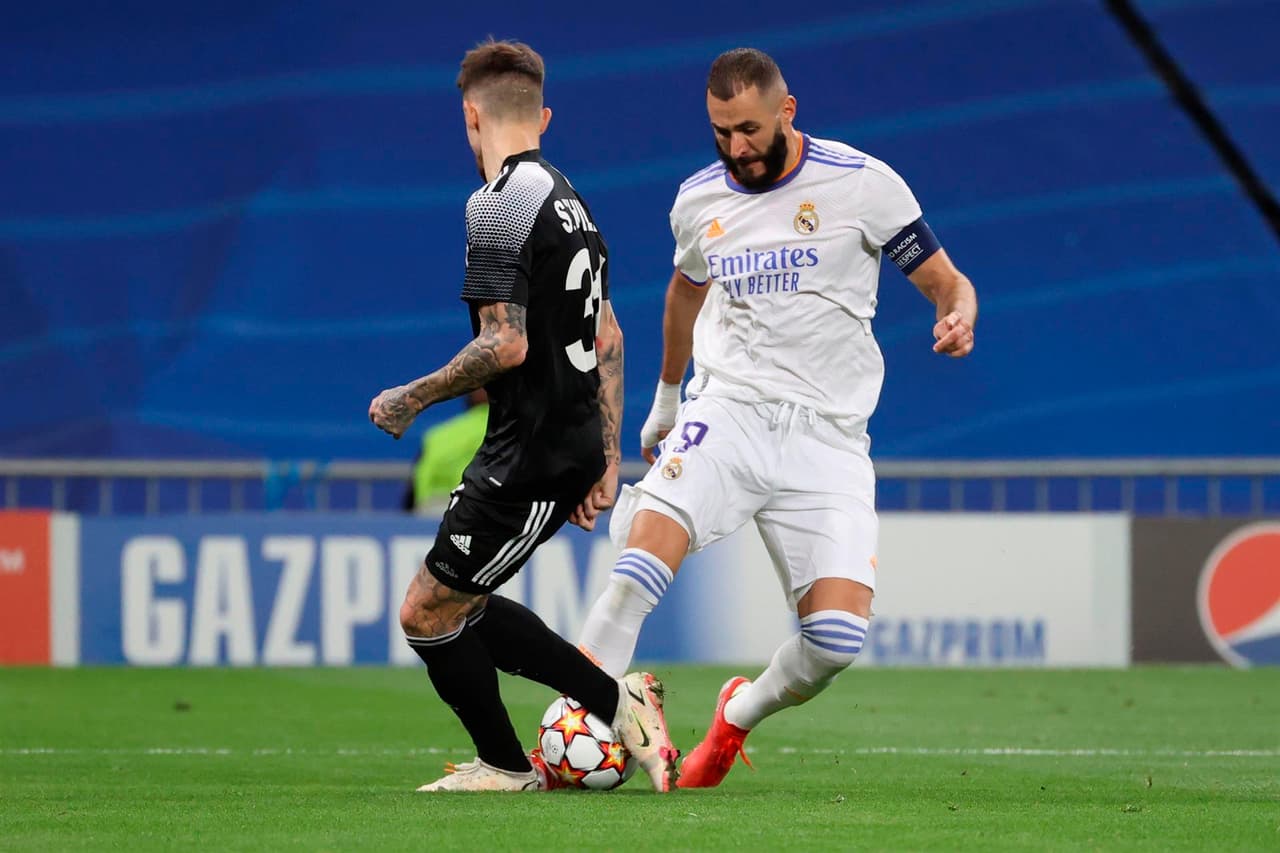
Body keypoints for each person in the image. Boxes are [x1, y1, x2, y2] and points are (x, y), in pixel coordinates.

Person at [576, 47, 978, 788]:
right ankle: (570, 735)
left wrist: (958, 316)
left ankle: (736, 713)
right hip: (729, 409)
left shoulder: (863, 184)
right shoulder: (698, 201)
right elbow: (684, 295)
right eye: (721, 132)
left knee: (834, 641)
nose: (736, 148)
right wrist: (668, 399)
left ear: (787, 111)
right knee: (640, 563)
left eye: (750, 130)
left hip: (828, 437)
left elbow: (947, 282)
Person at [368, 39, 678, 793]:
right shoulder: (573, 203)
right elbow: (608, 334)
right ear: (541, 115)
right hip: (558, 444)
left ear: (471, 117)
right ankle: (612, 702)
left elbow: (504, 344)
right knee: (457, 599)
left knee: (425, 610)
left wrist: (411, 395)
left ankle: (510, 764)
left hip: (528, 449)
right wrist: (605, 457)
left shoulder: (499, 201)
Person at [401, 389, 489, 514]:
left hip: (432, 514)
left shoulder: (437, 435)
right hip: (490, 515)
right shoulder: (520, 433)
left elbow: (412, 493)